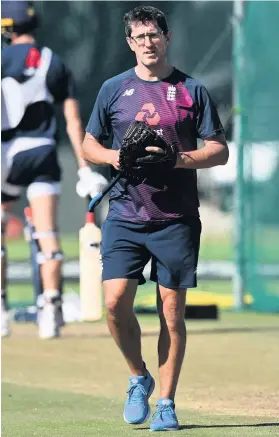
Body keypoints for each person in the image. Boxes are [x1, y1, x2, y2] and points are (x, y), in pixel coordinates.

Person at [82, 5, 229, 432]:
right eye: (139, 37)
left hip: (176, 218)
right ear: (130, 43)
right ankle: (137, 376)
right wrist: (115, 156)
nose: (148, 43)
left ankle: (165, 402)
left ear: (167, 37)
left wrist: (177, 159)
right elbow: (90, 143)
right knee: (113, 304)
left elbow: (219, 150)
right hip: (126, 214)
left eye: (154, 35)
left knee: (171, 312)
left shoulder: (191, 90)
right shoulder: (113, 88)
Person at [1, 1, 107, 339]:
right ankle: (51, 310)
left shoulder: (2, 59)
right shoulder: (53, 61)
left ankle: (1, 311)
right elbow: (73, 120)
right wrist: (84, 168)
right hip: (43, 152)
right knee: (48, 238)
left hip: (6, 153)